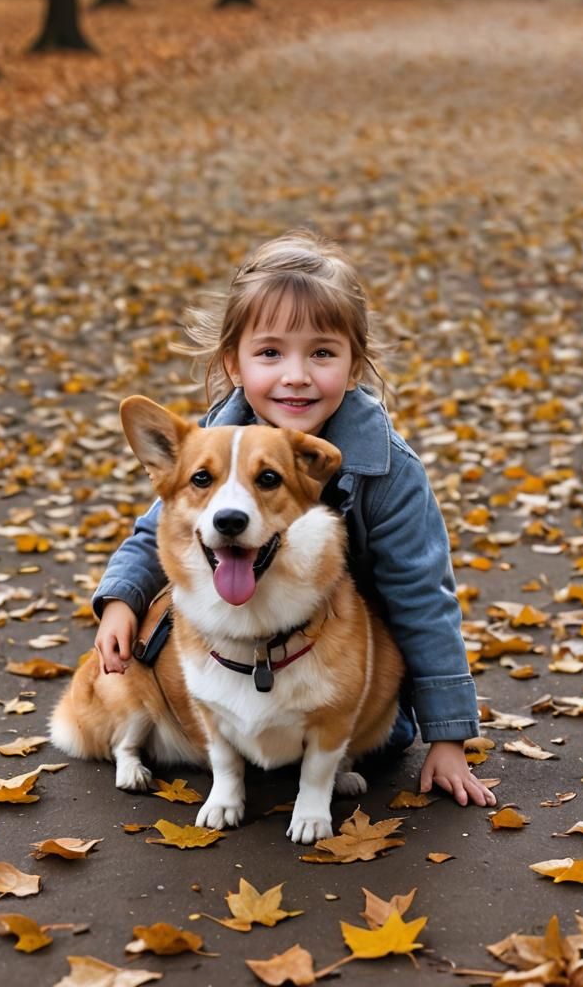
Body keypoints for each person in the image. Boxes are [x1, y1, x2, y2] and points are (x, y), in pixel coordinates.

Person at [93, 229, 496, 809]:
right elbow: (160, 527)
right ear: (234, 362)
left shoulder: (389, 472)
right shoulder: (207, 449)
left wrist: (449, 736)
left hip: (341, 677)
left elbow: (422, 597)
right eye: (271, 352)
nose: (297, 375)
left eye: (323, 353)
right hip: (238, 657)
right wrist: (121, 600)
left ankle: (328, 752)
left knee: (369, 736)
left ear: (355, 365)